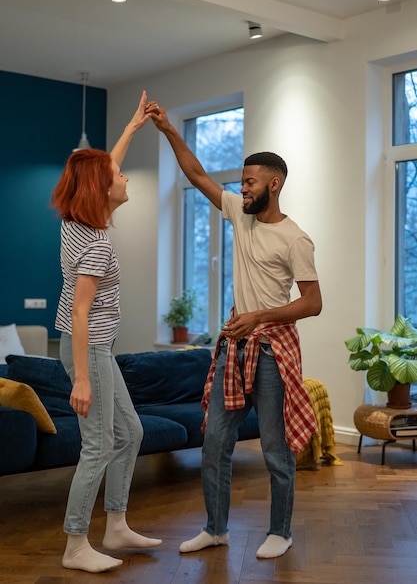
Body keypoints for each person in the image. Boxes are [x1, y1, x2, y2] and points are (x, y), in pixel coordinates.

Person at [148, 102, 322, 559]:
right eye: (242, 182)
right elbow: (198, 174)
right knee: (215, 443)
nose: (242, 189)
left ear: (274, 184)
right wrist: (169, 130)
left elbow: (312, 303)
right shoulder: (239, 214)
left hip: (270, 349)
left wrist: (260, 316)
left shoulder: (295, 238)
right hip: (234, 346)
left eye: (250, 182)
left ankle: (280, 532)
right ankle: (216, 528)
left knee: (273, 449)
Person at [51, 90, 162, 573]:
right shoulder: (94, 245)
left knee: (130, 431)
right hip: (89, 350)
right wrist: (81, 377)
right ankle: (76, 545)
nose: (125, 176)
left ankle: (115, 525)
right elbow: (80, 312)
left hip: (95, 349)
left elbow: (101, 170)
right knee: (97, 444)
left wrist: (130, 130)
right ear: (104, 190)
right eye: (119, 177)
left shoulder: (77, 221)